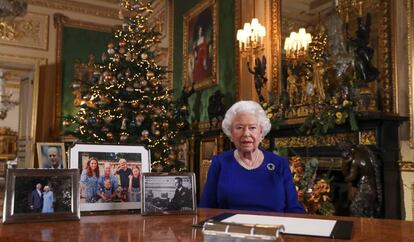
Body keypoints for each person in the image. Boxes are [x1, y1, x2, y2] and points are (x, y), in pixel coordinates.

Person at [199, 100, 304, 213]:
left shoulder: (279, 164)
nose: (246, 133)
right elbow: (206, 208)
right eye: (239, 127)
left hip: (273, 228)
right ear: (231, 133)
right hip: (230, 228)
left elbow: (294, 208)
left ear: (261, 133)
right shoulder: (220, 162)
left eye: (252, 127)